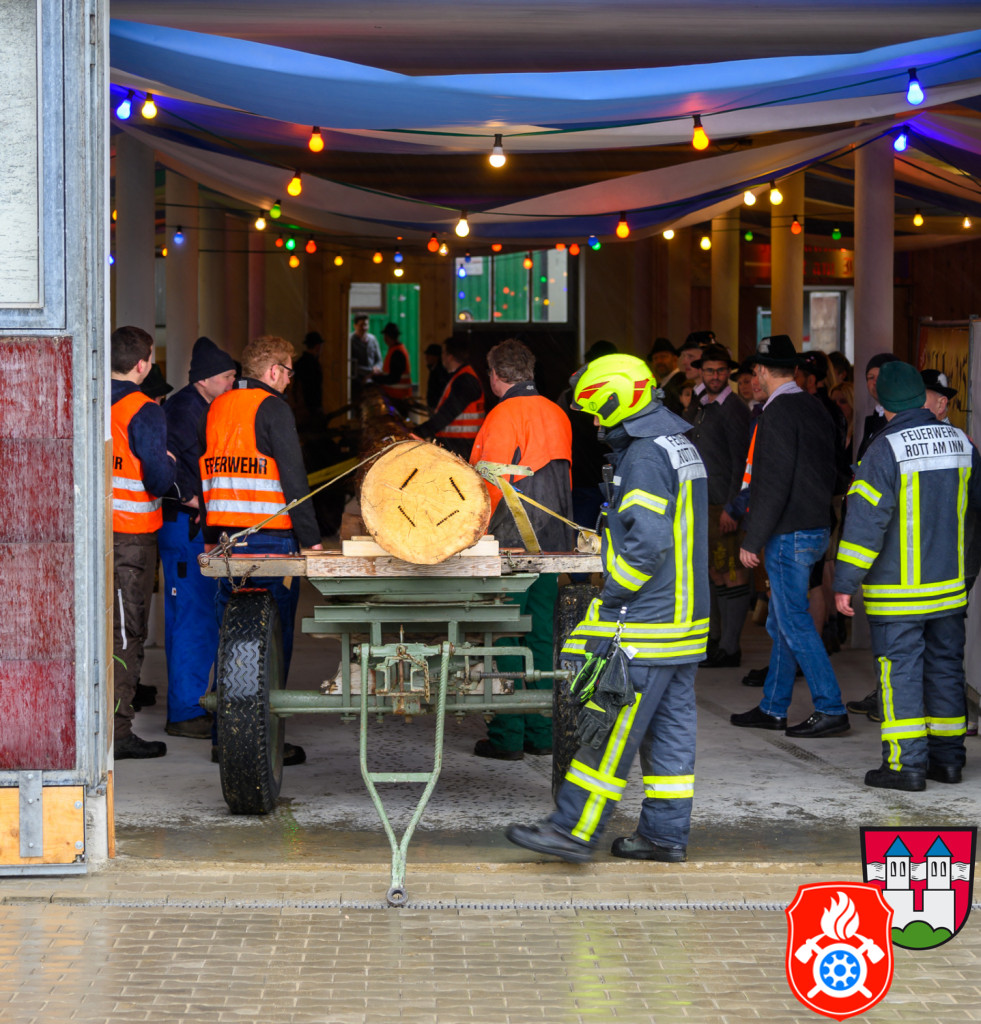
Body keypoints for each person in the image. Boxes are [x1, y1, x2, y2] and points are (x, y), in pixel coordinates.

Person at [505, 353, 708, 863]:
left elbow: (647, 544)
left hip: (648, 623)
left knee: (608, 730)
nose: (596, 423)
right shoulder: (678, 444)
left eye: (598, 411)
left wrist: (612, 597)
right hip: (684, 622)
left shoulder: (645, 456)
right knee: (670, 733)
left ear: (619, 401)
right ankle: (664, 835)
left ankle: (571, 830)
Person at [834, 361, 981, 790]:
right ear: (921, 395)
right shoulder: (962, 443)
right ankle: (948, 760)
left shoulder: (884, 448)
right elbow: (976, 516)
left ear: (883, 402)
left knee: (900, 674)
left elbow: (866, 524)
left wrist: (845, 582)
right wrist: (967, 572)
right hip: (949, 589)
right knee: (945, 669)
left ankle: (905, 765)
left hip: (898, 593)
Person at [730, 334, 850, 738]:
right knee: (783, 621)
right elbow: (833, 471)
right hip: (814, 527)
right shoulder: (814, 406)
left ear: (762, 371)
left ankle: (831, 707)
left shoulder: (777, 413)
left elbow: (774, 483)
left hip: (789, 533)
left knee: (794, 622)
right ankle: (773, 706)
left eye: (754, 373)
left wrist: (753, 538)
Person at [469, 339, 573, 760]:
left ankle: (507, 736)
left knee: (504, 633)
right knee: (541, 633)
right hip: (553, 545)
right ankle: (541, 731)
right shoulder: (557, 413)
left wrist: (471, 537)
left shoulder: (502, 414)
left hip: (509, 544)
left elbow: (489, 485)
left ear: (495, 375)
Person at [199, 335, 323, 684]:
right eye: (288, 372)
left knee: (231, 637)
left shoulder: (215, 407)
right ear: (273, 371)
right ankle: (268, 715)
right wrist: (312, 540)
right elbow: (294, 479)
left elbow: (204, 476)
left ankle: (227, 716)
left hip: (226, 542)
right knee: (273, 638)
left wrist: (209, 536)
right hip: (271, 541)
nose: (289, 380)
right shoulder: (273, 408)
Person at [158, 336, 236, 740]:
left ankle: (191, 704)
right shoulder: (185, 409)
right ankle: (186, 711)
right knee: (193, 619)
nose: (232, 384)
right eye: (227, 377)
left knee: (196, 617)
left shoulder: (201, 406)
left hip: (191, 528)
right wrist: (191, 498)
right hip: (185, 527)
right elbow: (163, 464)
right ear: (204, 379)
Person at [110, 325, 177, 759]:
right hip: (130, 537)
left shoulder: (88, 398)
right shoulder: (143, 409)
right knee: (127, 632)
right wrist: (169, 464)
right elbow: (157, 479)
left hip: (90, 534)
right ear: (141, 365)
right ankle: (117, 733)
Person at [686, 344, 752, 667]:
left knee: (731, 572)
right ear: (701, 372)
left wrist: (733, 506)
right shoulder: (701, 403)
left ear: (729, 373)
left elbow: (742, 462)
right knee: (713, 570)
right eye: (710, 370)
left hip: (723, 504)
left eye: (721, 370)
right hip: (703, 500)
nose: (715, 376)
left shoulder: (734, 408)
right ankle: (714, 640)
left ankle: (730, 647)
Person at [415, 337, 486, 459]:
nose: (441, 356)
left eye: (443, 353)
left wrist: (418, 432)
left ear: (450, 356)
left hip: (460, 447)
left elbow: (447, 414)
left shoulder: (464, 380)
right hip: (458, 445)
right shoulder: (461, 376)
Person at [857, 352, 899, 461]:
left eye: (881, 376)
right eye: (871, 377)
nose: (875, 382)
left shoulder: (902, 418)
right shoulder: (873, 419)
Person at [372, 322, 413, 402]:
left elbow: (393, 378)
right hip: (398, 397)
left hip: (398, 398)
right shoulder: (397, 350)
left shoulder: (397, 353)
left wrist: (375, 378)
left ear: (387, 337)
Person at [292, 330, 325, 427]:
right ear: (317, 346)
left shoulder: (300, 362)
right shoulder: (313, 363)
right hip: (311, 405)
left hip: (302, 404)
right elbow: (313, 386)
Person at [349, 314, 381, 381]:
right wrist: (370, 371)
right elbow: (350, 363)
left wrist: (377, 367)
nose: (364, 328)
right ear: (355, 326)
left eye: (366, 325)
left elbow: (379, 360)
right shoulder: (350, 340)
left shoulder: (372, 339)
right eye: (361, 325)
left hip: (372, 378)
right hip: (356, 379)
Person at [424, 342, 450, 409]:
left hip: (438, 407)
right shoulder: (434, 369)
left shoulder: (440, 372)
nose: (426, 357)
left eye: (429, 355)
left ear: (436, 357)